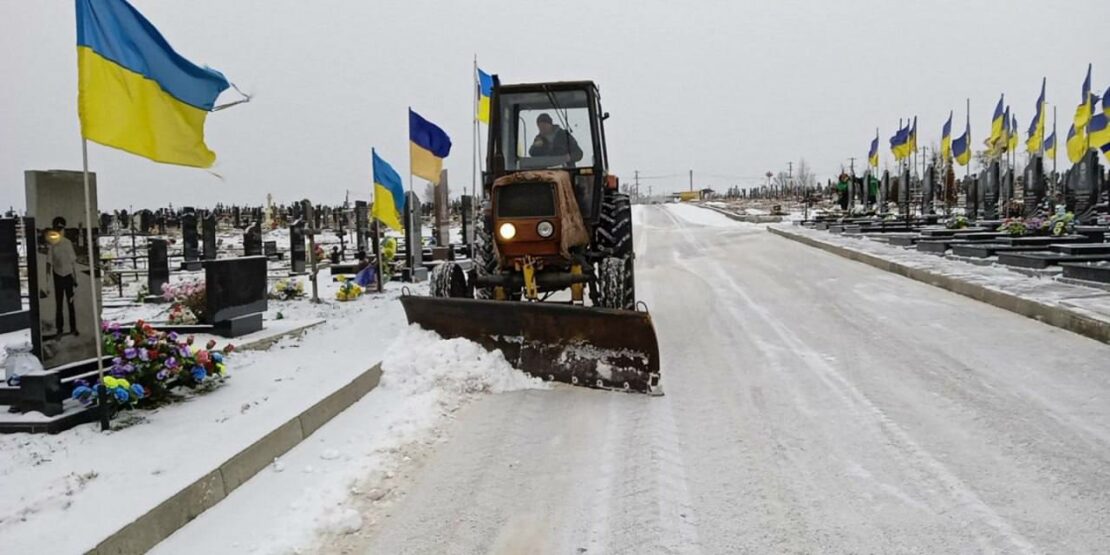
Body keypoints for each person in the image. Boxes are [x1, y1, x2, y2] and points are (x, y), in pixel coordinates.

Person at [47, 217, 78, 338]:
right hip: (58, 276)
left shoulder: (68, 243)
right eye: (58, 229)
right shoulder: (52, 245)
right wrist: (47, 282)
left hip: (68, 276)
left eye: (62, 229)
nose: (60, 231)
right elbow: (48, 264)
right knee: (59, 304)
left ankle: (73, 328)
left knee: (71, 303)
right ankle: (59, 330)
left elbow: (73, 262)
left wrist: (76, 278)